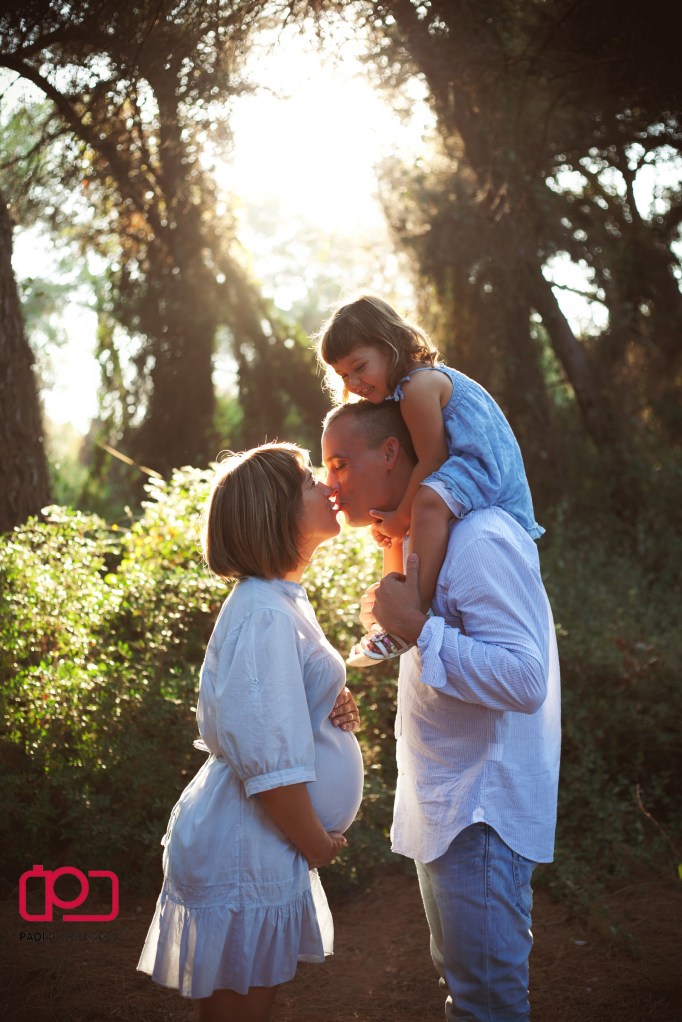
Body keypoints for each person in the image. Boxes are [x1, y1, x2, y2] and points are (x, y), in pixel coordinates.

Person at [321, 401, 561, 1022]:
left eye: (342, 462)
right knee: (469, 993)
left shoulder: (479, 537)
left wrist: (420, 630)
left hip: (480, 816)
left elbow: (525, 679)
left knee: (485, 1005)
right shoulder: (425, 539)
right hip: (454, 807)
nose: (331, 482)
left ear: (392, 453)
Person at [137, 443, 363, 1022]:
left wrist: (329, 710)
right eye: (311, 479)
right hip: (248, 844)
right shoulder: (264, 610)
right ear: (277, 512)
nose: (328, 485)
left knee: (248, 1006)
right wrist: (315, 842)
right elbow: (263, 758)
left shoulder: (280, 600)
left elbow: (275, 716)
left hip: (260, 843)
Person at [316, 293, 544, 667]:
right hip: (471, 463)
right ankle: (390, 613)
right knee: (402, 514)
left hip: (481, 465)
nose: (353, 382)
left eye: (360, 366)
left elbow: (433, 460)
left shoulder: (417, 388)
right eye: (344, 375)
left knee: (423, 502)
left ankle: (409, 613)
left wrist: (401, 516)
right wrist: (394, 522)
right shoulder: (406, 389)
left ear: (390, 346)